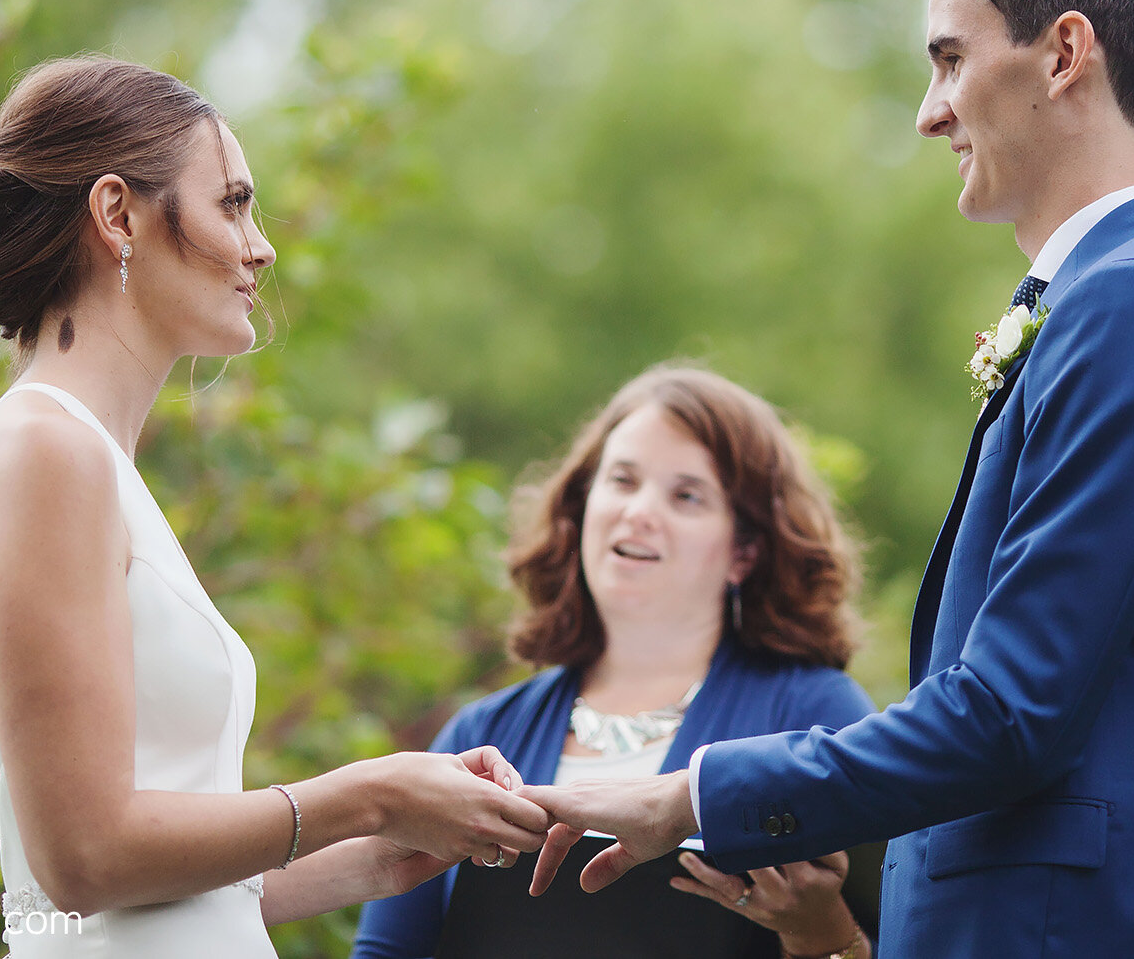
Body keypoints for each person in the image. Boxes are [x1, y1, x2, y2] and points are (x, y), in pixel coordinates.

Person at [522, 0, 1134, 959]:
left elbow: (1009, 712)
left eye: (949, 59)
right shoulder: (1118, 302)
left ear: (1063, 54)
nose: (927, 111)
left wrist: (686, 796)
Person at [0, 56, 549, 955]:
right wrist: (367, 791)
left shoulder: (83, 460)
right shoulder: (42, 453)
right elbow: (82, 859)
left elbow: (131, 898)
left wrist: (380, 847)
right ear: (116, 214)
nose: (263, 245)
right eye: (234, 202)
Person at [352, 365, 878, 959]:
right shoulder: (480, 733)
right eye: (623, 481)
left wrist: (819, 935)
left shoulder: (817, 716)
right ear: (582, 509)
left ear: (744, 551)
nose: (639, 512)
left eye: (686, 495)